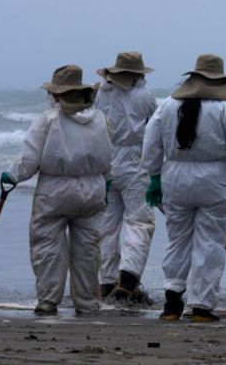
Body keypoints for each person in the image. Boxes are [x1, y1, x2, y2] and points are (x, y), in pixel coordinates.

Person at [142, 54, 226, 322]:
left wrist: (154, 176)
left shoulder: (168, 106)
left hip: (175, 177)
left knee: (178, 238)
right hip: (215, 179)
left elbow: (151, 142)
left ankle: (172, 302)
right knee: (210, 241)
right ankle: (201, 306)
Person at [1, 65, 113, 316]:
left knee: (47, 245)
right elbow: (108, 157)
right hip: (92, 188)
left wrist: (12, 175)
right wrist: (105, 182)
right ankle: (87, 303)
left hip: (54, 190)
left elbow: (30, 161)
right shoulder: (100, 119)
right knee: (88, 249)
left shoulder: (48, 120)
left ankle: (48, 300)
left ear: (57, 94)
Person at [94, 52, 158, 301]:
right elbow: (154, 131)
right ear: (138, 74)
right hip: (134, 162)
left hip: (105, 162)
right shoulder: (144, 96)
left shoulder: (99, 93)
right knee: (139, 222)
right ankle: (128, 277)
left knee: (106, 226)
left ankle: (106, 282)